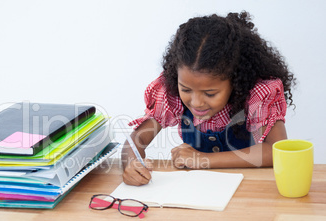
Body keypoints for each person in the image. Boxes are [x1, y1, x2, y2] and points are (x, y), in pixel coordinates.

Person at [121, 11, 295, 186]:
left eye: (210, 93)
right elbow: (136, 141)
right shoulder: (171, 93)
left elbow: (275, 151)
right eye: (186, 89)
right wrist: (131, 163)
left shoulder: (258, 95)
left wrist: (204, 159)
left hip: (249, 191)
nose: (196, 102)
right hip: (199, 190)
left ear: (235, 80)